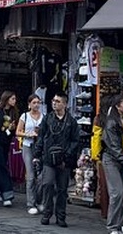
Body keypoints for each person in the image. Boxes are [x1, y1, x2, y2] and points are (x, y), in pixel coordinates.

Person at [34, 92, 79, 228]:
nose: (54, 103)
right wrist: (37, 155)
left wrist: (67, 155)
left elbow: (75, 141)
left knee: (62, 189)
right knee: (47, 184)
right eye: (53, 101)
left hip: (64, 160)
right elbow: (41, 137)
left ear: (64, 104)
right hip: (48, 158)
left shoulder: (71, 121)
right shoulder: (47, 119)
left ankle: (61, 216)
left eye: (58, 101)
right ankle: (47, 213)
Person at [102, 94, 123, 234]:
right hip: (112, 159)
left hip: (121, 159)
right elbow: (113, 146)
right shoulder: (111, 122)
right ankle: (112, 226)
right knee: (117, 193)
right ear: (118, 106)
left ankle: (119, 224)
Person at [17, 93, 44, 215]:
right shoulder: (25, 116)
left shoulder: (44, 116)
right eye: (34, 102)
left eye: (38, 102)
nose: (36, 105)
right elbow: (18, 132)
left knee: (41, 177)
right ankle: (31, 203)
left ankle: (40, 201)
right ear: (29, 104)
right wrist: (28, 134)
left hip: (40, 147)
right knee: (31, 175)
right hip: (28, 146)